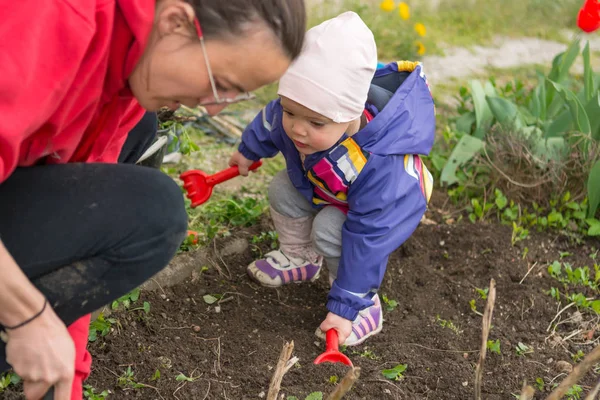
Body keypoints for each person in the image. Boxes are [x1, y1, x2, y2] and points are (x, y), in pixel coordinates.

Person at [0, 1, 306, 399]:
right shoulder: (54, 17)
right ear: (175, 22)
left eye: (234, 96)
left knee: (138, 160)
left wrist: (68, 384)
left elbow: (89, 221)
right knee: (153, 212)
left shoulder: (130, 67)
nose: (211, 107)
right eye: (221, 84)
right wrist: (28, 319)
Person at [229, 12, 435, 346]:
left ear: (351, 114)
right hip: (331, 186)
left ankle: (364, 305)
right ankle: (301, 258)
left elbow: (369, 236)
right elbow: (270, 120)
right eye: (291, 111)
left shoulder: (379, 162)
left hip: (390, 206)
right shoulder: (300, 117)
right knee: (282, 188)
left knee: (330, 229)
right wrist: (248, 150)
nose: (297, 127)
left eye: (315, 122)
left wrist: (345, 307)